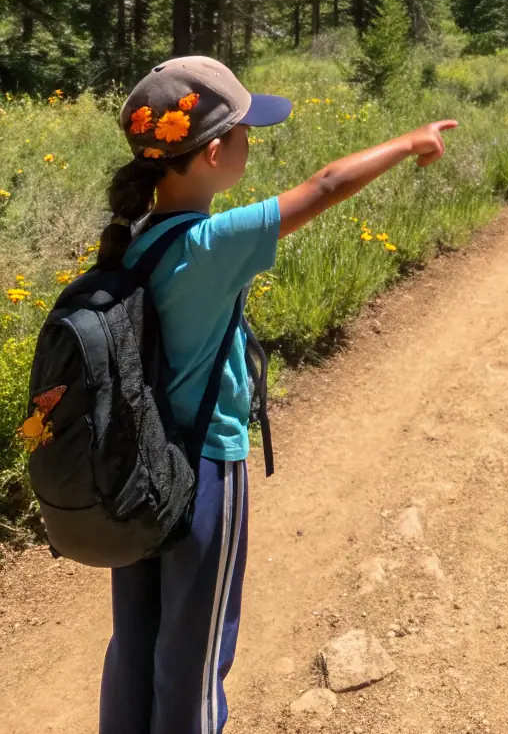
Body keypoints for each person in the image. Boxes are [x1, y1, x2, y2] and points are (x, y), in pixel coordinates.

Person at [97, 55, 456, 734]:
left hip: (137, 475)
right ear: (211, 153)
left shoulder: (134, 241)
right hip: (204, 473)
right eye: (242, 132)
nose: (250, 142)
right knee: (195, 659)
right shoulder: (209, 243)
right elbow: (323, 186)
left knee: (135, 650)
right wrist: (410, 141)